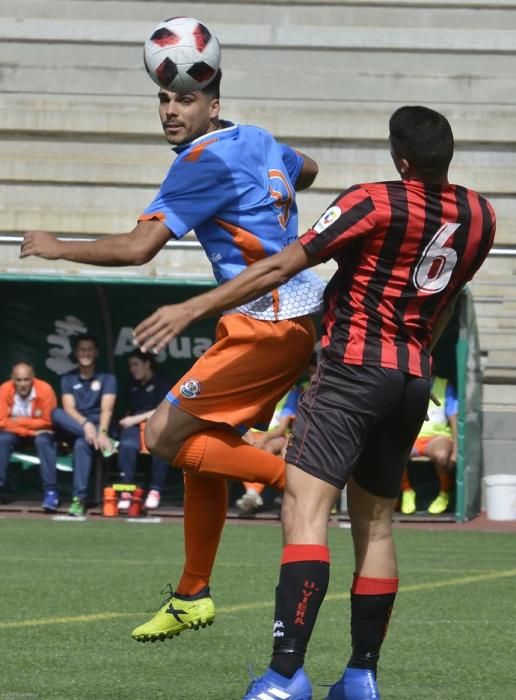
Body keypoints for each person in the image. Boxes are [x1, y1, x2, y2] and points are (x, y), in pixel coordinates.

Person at [130, 105, 495, 699]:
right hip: (412, 376)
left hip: (353, 368)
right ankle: (360, 678)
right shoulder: (482, 213)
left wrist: (192, 307)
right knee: (376, 526)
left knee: (304, 511)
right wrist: (417, 348)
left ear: (400, 160)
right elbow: (450, 296)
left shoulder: (371, 200)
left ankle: (283, 677)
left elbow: (281, 264)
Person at [20, 63, 324, 639]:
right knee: (199, 449)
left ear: (213, 106)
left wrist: (58, 246)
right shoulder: (255, 138)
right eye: (163, 99)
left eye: (185, 100)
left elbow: (140, 249)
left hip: (267, 321)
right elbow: (307, 169)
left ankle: (300, 479)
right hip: (283, 317)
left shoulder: (199, 163)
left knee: (159, 436)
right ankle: (191, 593)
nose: (169, 110)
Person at [237, 354, 318, 515]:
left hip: (276, 437)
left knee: (275, 449)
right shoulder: (252, 390)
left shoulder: (293, 392)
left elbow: (282, 428)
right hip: (250, 437)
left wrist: (263, 438)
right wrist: (249, 437)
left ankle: (254, 495)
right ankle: (253, 497)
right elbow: (241, 421)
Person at [52, 334, 117, 517]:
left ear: (95, 353)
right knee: (56, 413)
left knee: (82, 444)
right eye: (82, 349)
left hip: (98, 428)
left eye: (89, 350)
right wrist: (86, 424)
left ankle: (78, 500)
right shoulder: (68, 378)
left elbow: (107, 409)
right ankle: (93, 434)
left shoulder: (107, 378)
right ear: (76, 352)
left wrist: (102, 432)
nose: (85, 353)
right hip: (79, 426)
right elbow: (68, 408)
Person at [0, 362, 59, 511]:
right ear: (12, 379)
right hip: (16, 434)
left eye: (26, 379)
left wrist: (16, 422)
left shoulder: (45, 390)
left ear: (33, 378)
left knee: (44, 440)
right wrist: (30, 429)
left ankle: (51, 493)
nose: (23, 384)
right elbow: (1, 421)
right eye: (18, 380)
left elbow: (47, 422)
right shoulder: (4, 390)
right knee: (2, 440)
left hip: (41, 434)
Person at [117, 350, 171, 511]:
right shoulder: (131, 384)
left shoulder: (162, 382)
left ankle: (155, 491)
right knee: (127, 444)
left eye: (136, 364)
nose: (133, 369)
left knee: (162, 446)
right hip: (135, 428)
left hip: (157, 425)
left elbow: (164, 409)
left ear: (147, 364)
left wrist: (135, 419)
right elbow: (126, 411)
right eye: (130, 366)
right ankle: (126, 491)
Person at [400, 374, 458, 516]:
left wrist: (456, 450)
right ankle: (407, 491)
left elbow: (455, 421)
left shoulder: (445, 386)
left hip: (437, 438)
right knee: (395, 454)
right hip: (412, 437)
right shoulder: (404, 384)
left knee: (441, 455)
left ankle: (444, 493)